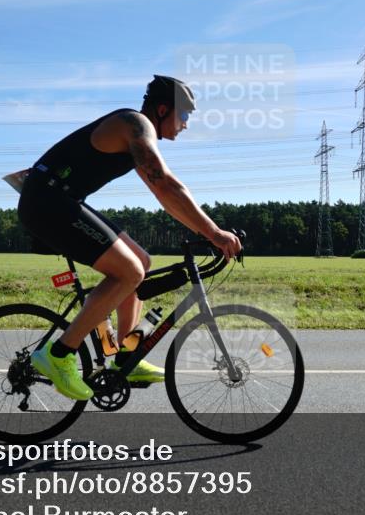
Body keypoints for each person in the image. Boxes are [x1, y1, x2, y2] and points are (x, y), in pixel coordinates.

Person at [17, 75, 243, 400]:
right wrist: (215, 233)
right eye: (185, 116)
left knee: (141, 262)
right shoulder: (135, 125)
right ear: (163, 110)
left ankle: (126, 356)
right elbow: (166, 184)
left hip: (61, 199)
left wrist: (205, 231)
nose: (186, 124)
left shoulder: (137, 132)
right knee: (130, 273)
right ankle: (59, 354)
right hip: (48, 203)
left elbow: (163, 196)